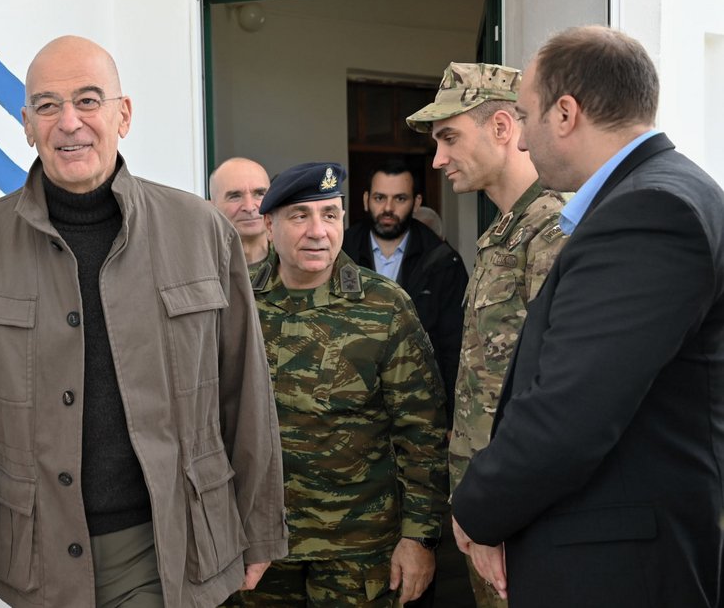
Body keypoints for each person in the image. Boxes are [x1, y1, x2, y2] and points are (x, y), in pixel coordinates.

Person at [0, 35, 287, 608]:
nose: (69, 123)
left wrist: (259, 528)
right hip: (35, 561)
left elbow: (245, 394)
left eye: (88, 100)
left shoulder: (201, 232)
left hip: (168, 545)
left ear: (123, 115)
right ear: (27, 124)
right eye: (47, 105)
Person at [451, 25, 724, 608]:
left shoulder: (648, 210)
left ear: (566, 113)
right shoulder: (660, 193)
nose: (523, 141)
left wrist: (477, 510)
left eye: (525, 117)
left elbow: (570, 411)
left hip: (618, 564)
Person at [237, 161, 449, 607]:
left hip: (360, 551)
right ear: (269, 226)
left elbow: (422, 432)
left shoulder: (386, 306)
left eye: (330, 215)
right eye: (300, 216)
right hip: (259, 545)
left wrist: (420, 537)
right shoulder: (237, 301)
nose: (318, 231)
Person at [405, 61, 568, 608]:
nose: (438, 159)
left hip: (522, 516)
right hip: (488, 508)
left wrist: (501, 511)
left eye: (449, 137)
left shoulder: (553, 228)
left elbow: (555, 394)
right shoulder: (504, 231)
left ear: (501, 127)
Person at [342, 161, 468, 426]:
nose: (388, 208)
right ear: (365, 200)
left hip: (420, 408)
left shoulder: (442, 261)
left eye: (400, 198)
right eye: (380, 198)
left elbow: (454, 345)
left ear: (416, 202)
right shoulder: (340, 253)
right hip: (350, 405)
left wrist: (452, 417)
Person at [209, 157, 273, 286]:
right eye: (235, 196)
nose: (249, 207)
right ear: (212, 206)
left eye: (259, 194)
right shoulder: (199, 268)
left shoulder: (296, 262)